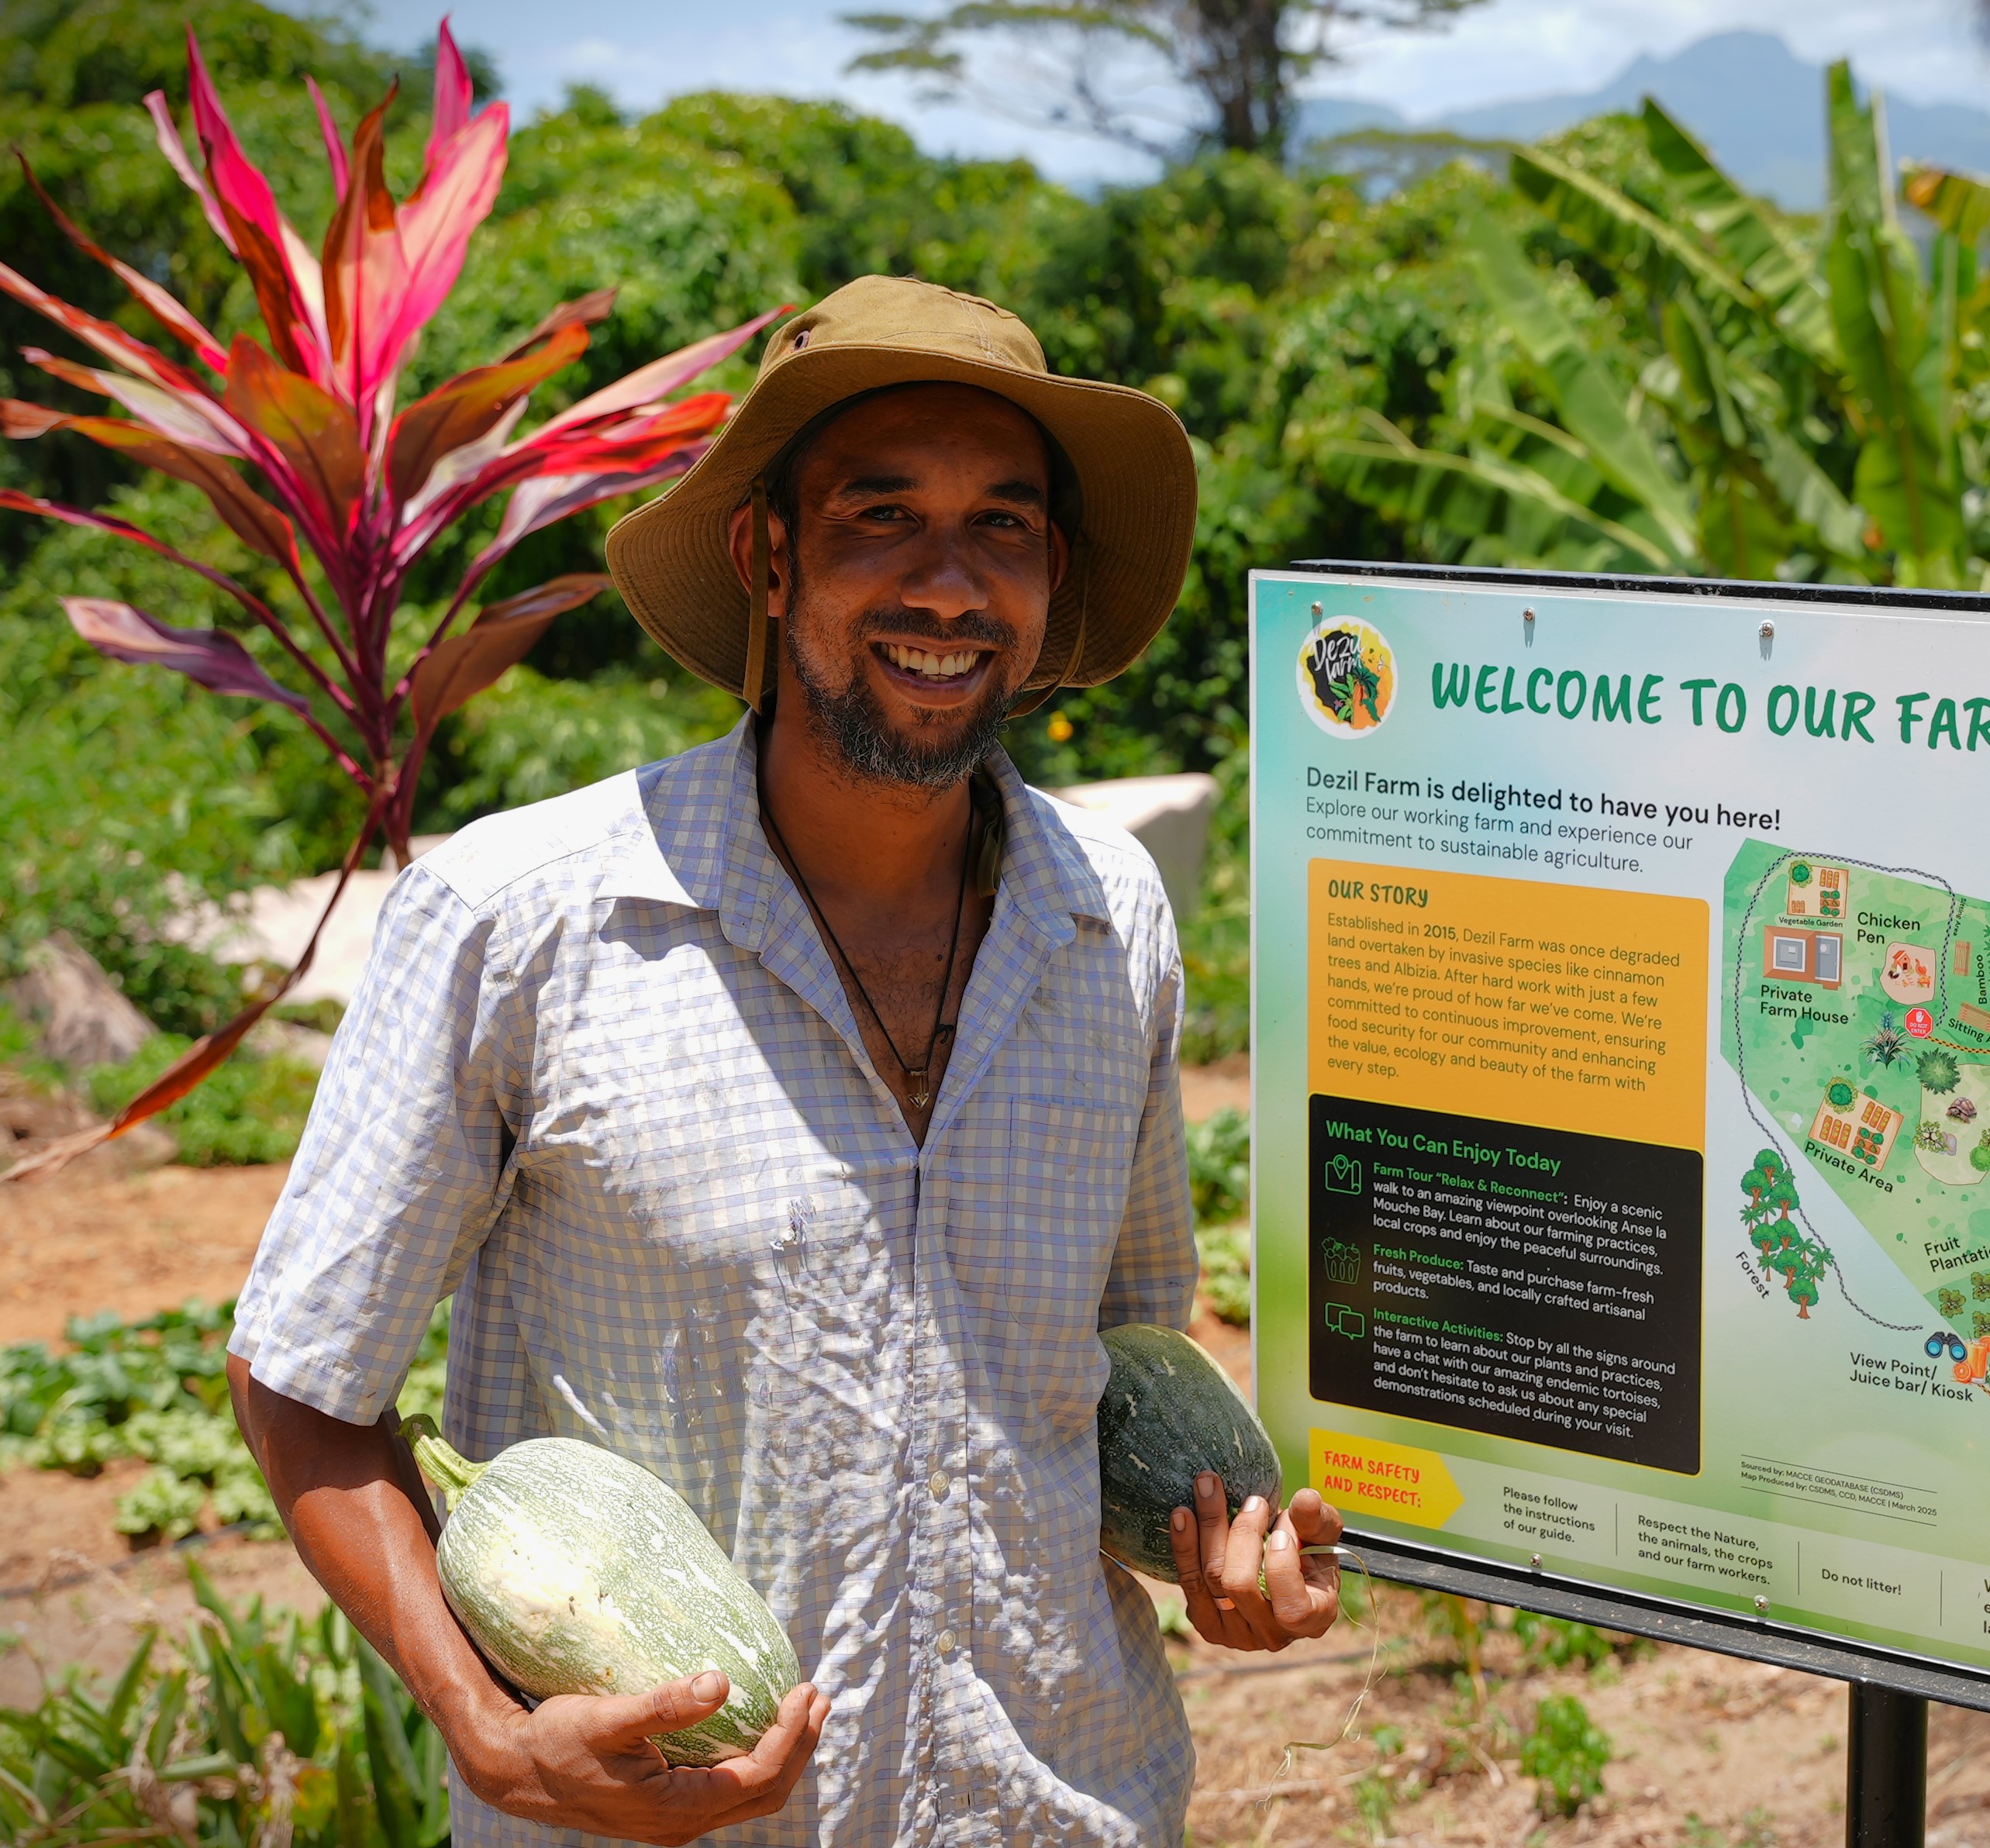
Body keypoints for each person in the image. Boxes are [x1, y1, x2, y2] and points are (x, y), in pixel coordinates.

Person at [225, 276, 1343, 1847]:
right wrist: (481, 1729)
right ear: (767, 553)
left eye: (1003, 526)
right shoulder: (522, 921)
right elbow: (300, 1383)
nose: (948, 585)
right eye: (880, 515)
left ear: (1051, 573)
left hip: (1068, 1804)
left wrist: (1208, 1559)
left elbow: (1110, 1353)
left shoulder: (1110, 918)